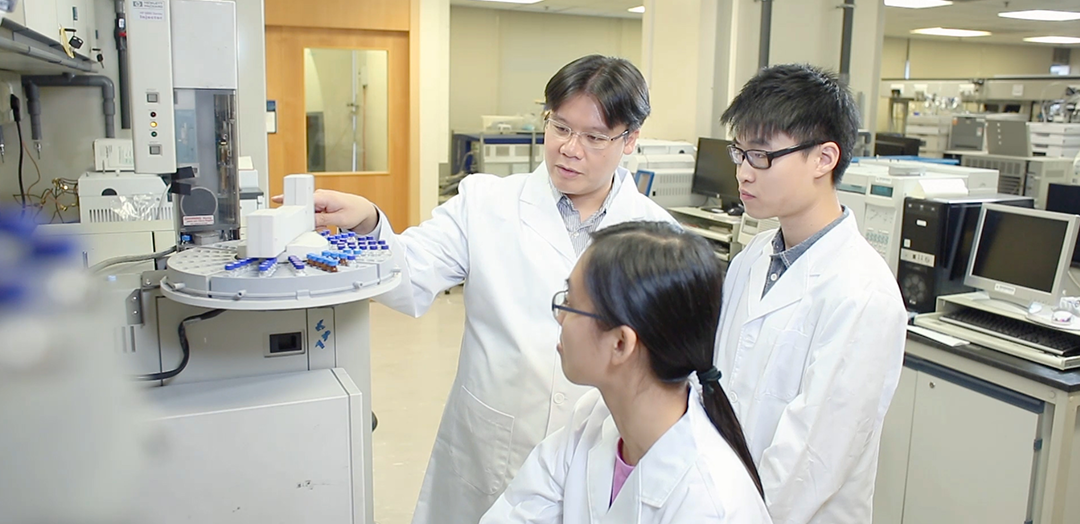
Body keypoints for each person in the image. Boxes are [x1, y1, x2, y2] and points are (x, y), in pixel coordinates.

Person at [285, 55, 677, 524]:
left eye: (594, 137)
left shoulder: (659, 236)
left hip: (596, 451)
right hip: (490, 444)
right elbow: (408, 276)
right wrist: (369, 221)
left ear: (630, 139)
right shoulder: (486, 202)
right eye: (560, 128)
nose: (570, 148)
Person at [713, 64, 908, 524]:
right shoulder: (753, 258)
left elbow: (810, 462)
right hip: (723, 499)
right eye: (739, 153)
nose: (744, 172)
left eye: (761, 156)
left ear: (824, 158)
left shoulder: (862, 293)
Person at [479, 221, 772, 524]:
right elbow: (520, 512)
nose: (560, 317)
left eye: (570, 303)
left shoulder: (709, 506)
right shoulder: (594, 418)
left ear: (620, 343)